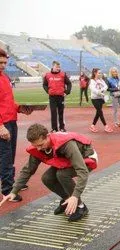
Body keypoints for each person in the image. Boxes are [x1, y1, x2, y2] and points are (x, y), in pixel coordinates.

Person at [0, 123, 97, 222]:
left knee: (62, 175)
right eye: (35, 146)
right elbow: (28, 170)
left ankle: (81, 207)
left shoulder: (67, 145)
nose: (38, 148)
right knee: (47, 178)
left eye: (40, 145)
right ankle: (67, 200)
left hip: (86, 158)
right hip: (65, 160)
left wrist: (75, 196)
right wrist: (14, 191)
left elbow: (82, 171)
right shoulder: (38, 147)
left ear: (47, 136)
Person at [0, 49, 31, 202]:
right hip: (2, 123)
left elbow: (8, 101)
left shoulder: (4, 77)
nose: (3, 65)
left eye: (5, 63)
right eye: (0, 63)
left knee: (10, 154)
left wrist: (20, 108)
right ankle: (7, 190)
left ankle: (11, 182)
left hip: (11, 120)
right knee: (5, 156)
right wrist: (0, 126)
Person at [43, 61, 72, 132]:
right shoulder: (47, 75)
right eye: (57, 67)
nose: (58, 68)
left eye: (59, 67)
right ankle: (54, 128)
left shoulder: (63, 74)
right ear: (53, 66)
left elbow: (69, 83)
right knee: (53, 113)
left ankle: (62, 127)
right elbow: (44, 85)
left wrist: (67, 92)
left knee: (61, 112)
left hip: (60, 97)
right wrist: (48, 91)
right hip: (52, 97)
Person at [89, 68, 113, 133]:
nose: (100, 74)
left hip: (100, 98)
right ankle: (106, 126)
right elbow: (93, 89)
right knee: (100, 112)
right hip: (95, 99)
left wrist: (102, 91)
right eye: (99, 73)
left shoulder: (101, 80)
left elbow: (106, 86)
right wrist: (99, 92)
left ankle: (92, 125)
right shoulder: (92, 81)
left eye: (101, 73)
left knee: (98, 113)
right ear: (95, 73)